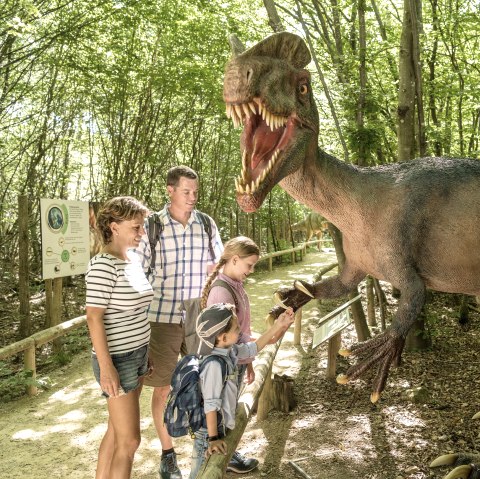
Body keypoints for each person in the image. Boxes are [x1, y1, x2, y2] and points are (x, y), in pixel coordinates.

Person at [135, 165, 223, 479]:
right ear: (170, 190)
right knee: (161, 390)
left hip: (197, 315)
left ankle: (214, 444)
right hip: (160, 317)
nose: (192, 197)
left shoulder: (207, 224)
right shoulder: (151, 226)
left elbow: (219, 269)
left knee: (209, 380)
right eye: (186, 191)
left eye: (196, 192)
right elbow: (136, 273)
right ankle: (168, 454)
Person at [85, 196, 153, 479]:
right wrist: (107, 367)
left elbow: (136, 309)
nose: (142, 233)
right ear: (114, 227)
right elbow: (93, 317)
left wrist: (144, 354)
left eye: (142, 227)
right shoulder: (103, 265)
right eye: (136, 227)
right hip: (117, 359)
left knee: (116, 431)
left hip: (136, 354)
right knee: (130, 441)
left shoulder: (132, 259)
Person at [189, 303, 295, 479]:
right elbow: (210, 404)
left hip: (217, 427)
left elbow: (253, 348)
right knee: (200, 473)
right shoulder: (214, 364)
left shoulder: (228, 350)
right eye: (236, 328)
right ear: (222, 337)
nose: (240, 331)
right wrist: (213, 438)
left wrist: (279, 325)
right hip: (208, 432)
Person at [200, 236, 262, 473]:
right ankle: (217, 456)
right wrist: (243, 358)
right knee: (220, 408)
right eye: (249, 264)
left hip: (236, 360)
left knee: (229, 406)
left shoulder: (236, 284)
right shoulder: (221, 292)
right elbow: (226, 341)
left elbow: (242, 331)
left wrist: (247, 363)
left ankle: (228, 456)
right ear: (235, 259)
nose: (251, 270)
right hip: (225, 364)